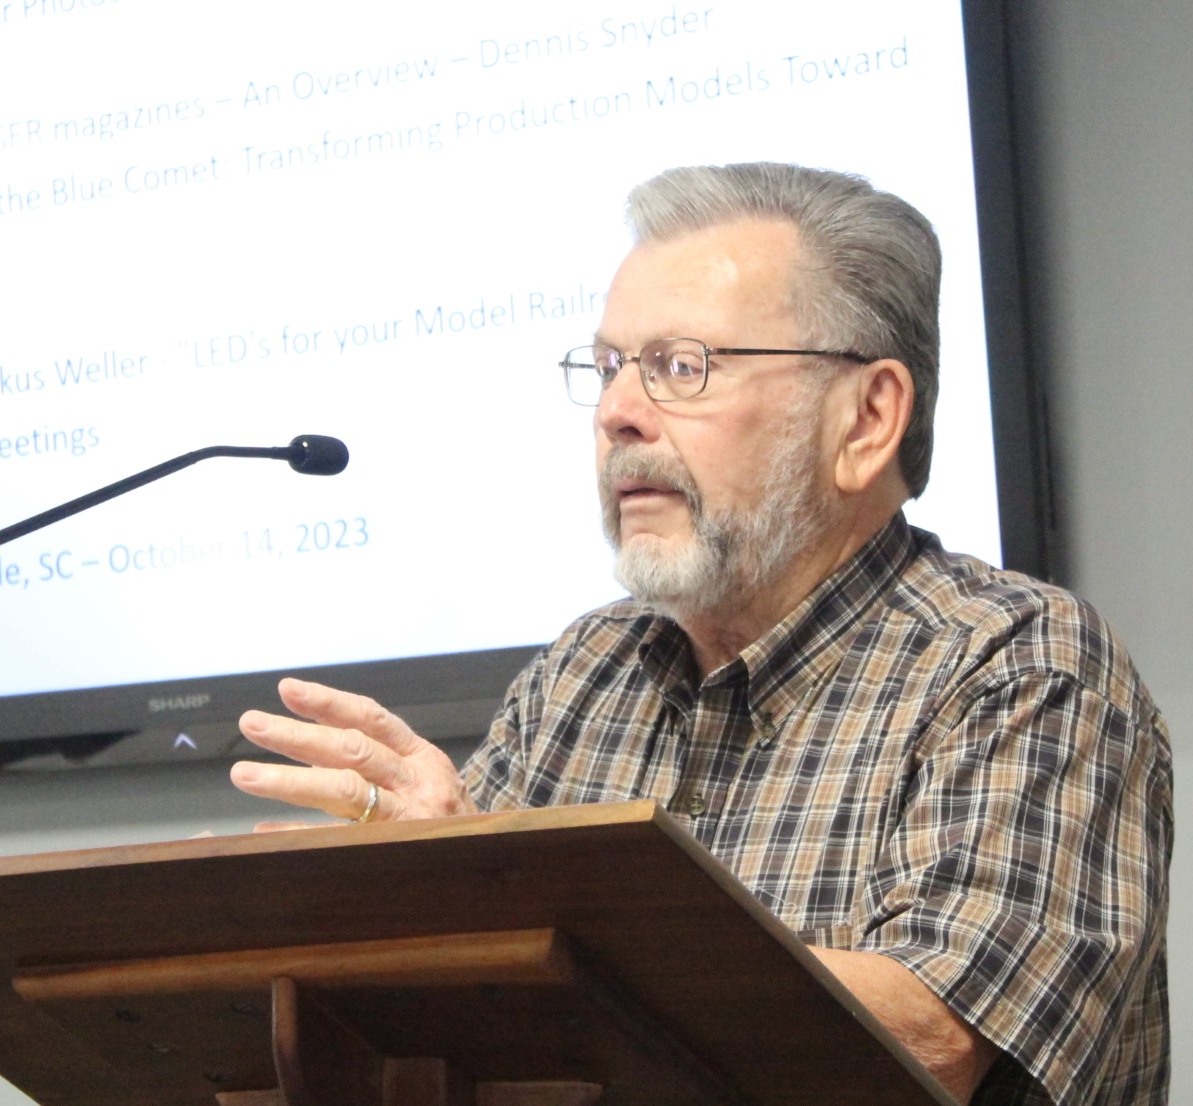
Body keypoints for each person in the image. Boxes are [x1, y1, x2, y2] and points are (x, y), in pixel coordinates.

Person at [229, 163, 1172, 1106]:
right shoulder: (583, 677)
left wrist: (508, 916)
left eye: (682, 368)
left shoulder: (1021, 666)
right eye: (609, 367)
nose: (617, 414)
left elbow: (933, 1035)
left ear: (868, 418)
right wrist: (426, 894)